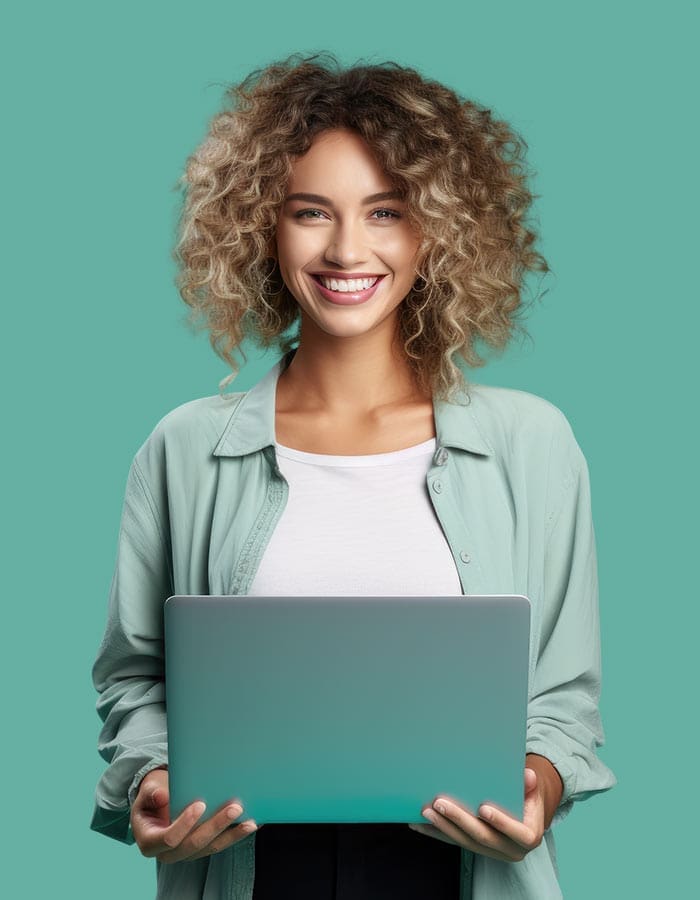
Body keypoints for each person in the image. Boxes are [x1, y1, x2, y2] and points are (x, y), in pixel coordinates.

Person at [91, 53, 615, 899]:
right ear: (261, 227)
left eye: (386, 212)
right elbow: (135, 675)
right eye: (310, 212)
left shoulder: (533, 444)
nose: (347, 249)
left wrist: (540, 785)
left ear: (436, 231)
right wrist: (152, 778)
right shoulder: (184, 449)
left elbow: (565, 694)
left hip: (458, 869)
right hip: (253, 869)